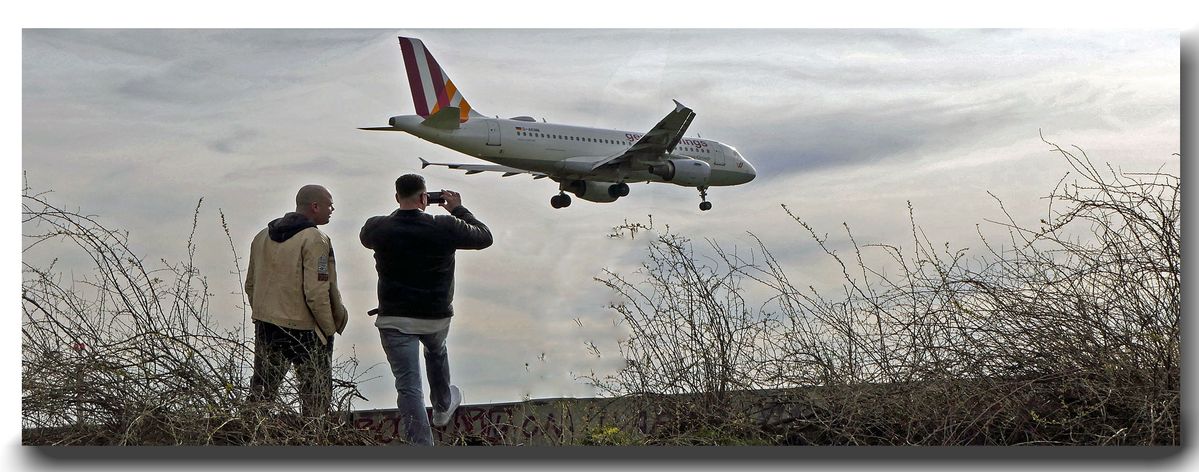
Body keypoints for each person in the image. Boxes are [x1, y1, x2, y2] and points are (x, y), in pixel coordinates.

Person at [360, 174, 493, 445]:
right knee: (436, 351)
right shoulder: (444, 225)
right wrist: (456, 208)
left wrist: (404, 211)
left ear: (397, 197)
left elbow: (375, 232)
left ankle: (421, 448)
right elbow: (484, 237)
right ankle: (443, 405)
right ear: (425, 198)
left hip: (394, 318)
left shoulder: (377, 228)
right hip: (435, 316)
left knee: (408, 386)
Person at [244, 184, 349, 418]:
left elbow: (250, 284)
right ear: (315, 206)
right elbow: (317, 290)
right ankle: (313, 443)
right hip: (304, 330)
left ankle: (245, 440)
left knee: (261, 395)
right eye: (329, 204)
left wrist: (264, 313)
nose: (332, 209)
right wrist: (328, 329)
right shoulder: (316, 239)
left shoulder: (261, 236)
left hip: (266, 325)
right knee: (315, 398)